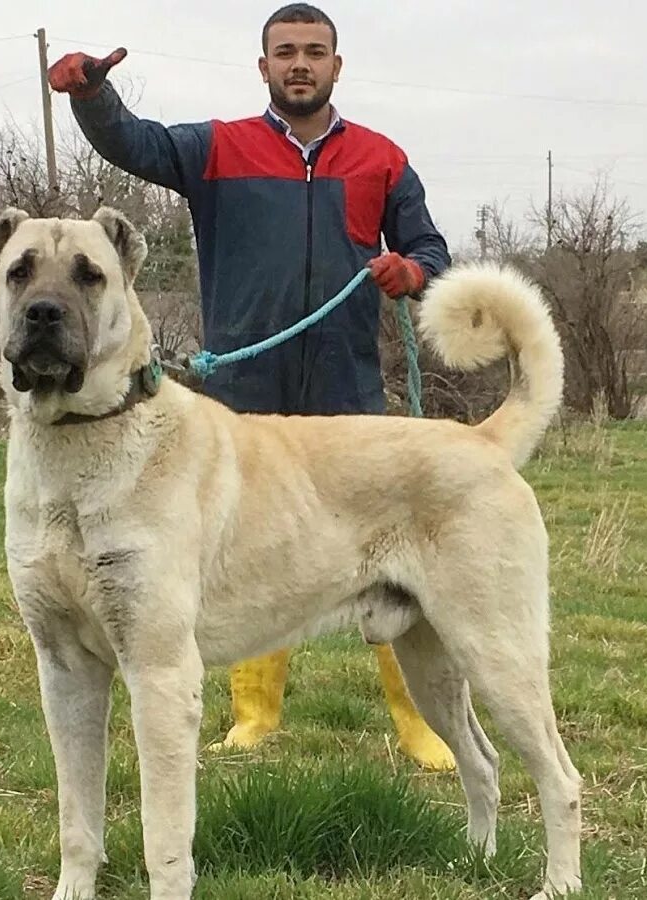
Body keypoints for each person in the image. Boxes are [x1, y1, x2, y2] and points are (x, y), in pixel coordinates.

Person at [48, 3, 455, 769]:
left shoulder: (382, 159)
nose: (300, 63)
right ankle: (254, 715)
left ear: (338, 66)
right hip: (242, 387)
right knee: (238, 556)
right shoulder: (217, 149)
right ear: (262, 67)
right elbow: (138, 144)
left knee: (387, 549)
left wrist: (416, 270)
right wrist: (90, 97)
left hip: (347, 393)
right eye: (285, 52)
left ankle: (417, 722)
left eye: (314, 52)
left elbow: (429, 243)